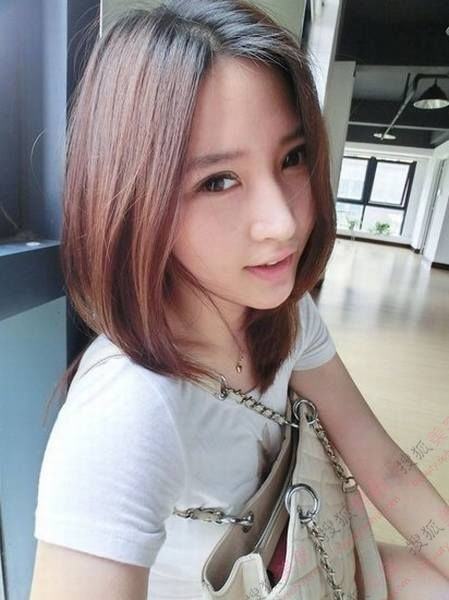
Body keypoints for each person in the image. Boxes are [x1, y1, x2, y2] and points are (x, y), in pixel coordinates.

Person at [29, 1, 449, 599]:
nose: (283, 223)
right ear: (135, 200)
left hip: (310, 563)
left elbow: (386, 468)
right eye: (218, 181)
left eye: (292, 158)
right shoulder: (127, 411)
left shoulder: (285, 315)